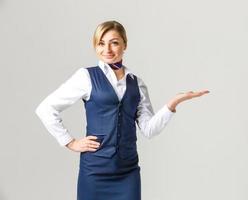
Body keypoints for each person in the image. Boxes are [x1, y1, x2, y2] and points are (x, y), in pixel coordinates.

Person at [35, 20, 209, 200]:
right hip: (94, 172)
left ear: (125, 44)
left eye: (114, 42)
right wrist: (70, 142)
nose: (107, 49)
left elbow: (149, 130)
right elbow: (45, 109)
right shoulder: (86, 76)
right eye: (101, 43)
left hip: (127, 173)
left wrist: (172, 104)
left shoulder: (137, 83)